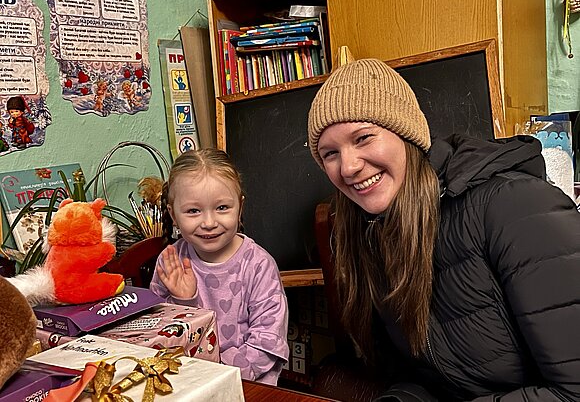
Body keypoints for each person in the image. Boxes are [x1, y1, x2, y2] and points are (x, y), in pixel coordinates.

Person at [307, 58, 580, 401]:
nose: (348, 167)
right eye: (330, 153)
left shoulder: (517, 207)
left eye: (363, 138)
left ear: (406, 135)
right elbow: (419, 377)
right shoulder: (369, 232)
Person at [149, 149, 289, 385]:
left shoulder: (258, 265)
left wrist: (218, 371)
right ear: (174, 215)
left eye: (222, 208)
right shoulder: (170, 260)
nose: (209, 223)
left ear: (240, 207)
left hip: (246, 384)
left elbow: (268, 342)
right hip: (186, 381)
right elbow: (157, 333)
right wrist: (184, 302)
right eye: (193, 211)